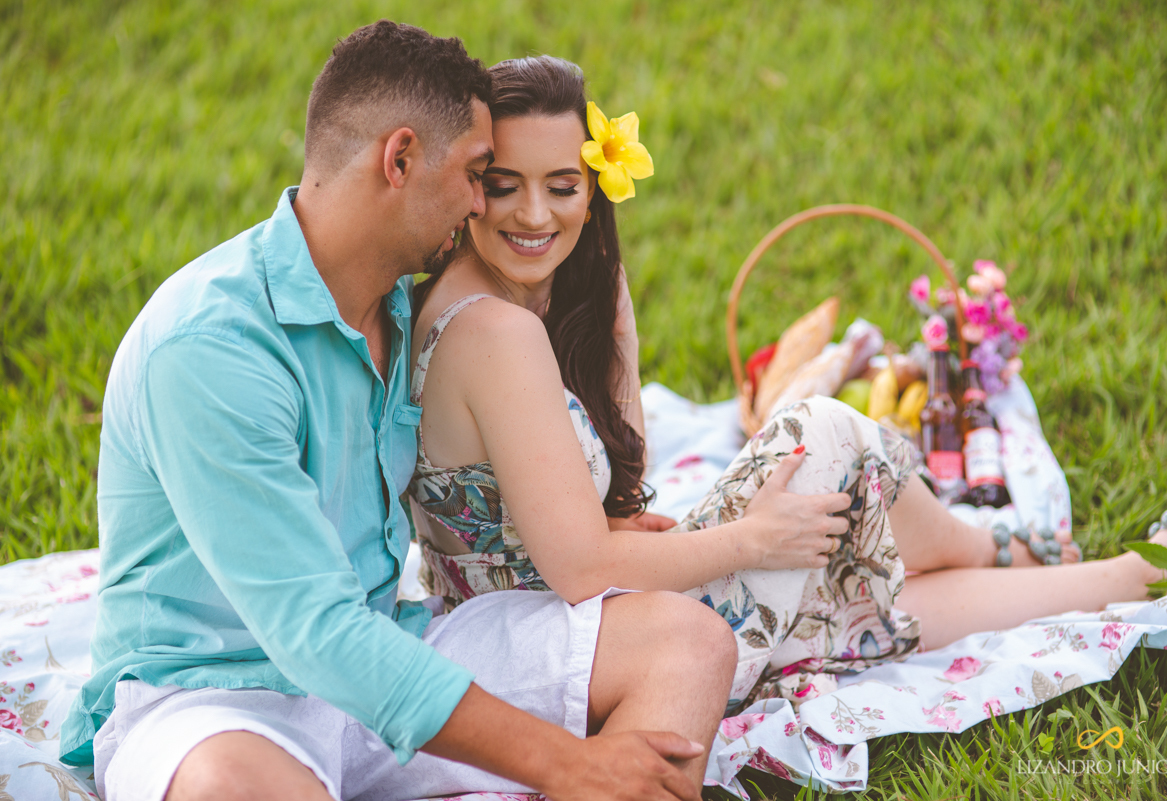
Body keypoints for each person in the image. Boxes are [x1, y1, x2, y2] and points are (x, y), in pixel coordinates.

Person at [60, 22, 742, 801]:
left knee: (683, 640)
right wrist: (567, 763)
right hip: (217, 701)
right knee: (235, 786)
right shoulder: (210, 348)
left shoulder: (397, 304)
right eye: (478, 173)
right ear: (401, 159)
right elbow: (315, 633)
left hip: (391, 649)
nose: (483, 200)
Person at [406, 54, 1167, 712]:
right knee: (824, 446)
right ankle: (1009, 549)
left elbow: (606, 498)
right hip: (565, 647)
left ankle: (1089, 563)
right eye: (504, 183)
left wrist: (616, 328)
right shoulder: (495, 332)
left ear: (596, 186)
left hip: (569, 620)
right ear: (470, 182)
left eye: (563, 185)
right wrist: (750, 539)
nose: (535, 212)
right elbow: (579, 567)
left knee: (845, 579)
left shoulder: (501, 298)